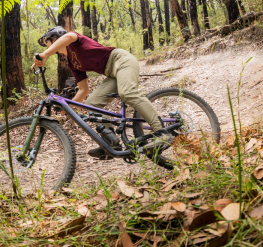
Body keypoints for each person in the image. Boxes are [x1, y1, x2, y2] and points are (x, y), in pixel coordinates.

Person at [33, 26, 173, 159]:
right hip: (111, 73)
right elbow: (84, 89)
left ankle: (162, 132)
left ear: (56, 38)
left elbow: (69, 36)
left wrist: (45, 55)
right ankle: (111, 143)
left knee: (127, 93)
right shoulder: (72, 62)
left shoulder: (73, 41)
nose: (47, 48)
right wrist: (69, 108)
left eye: (48, 43)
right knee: (92, 103)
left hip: (121, 60)